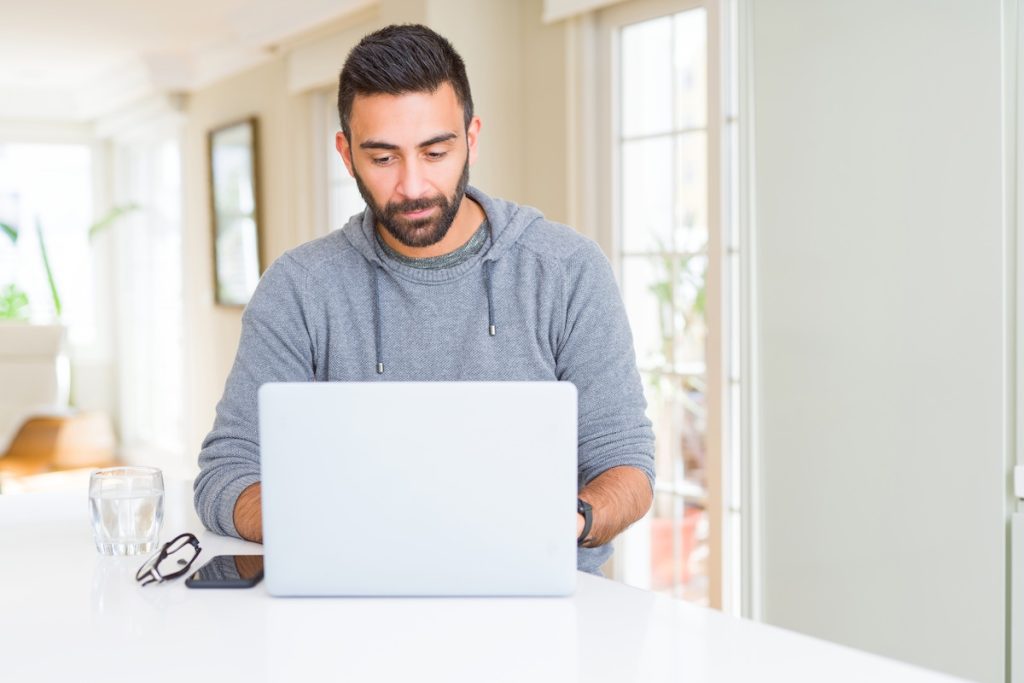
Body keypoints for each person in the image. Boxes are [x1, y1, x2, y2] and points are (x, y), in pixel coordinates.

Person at [194, 23, 655, 575]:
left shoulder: (567, 270)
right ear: (346, 154)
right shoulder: (298, 288)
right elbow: (227, 471)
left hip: (535, 597)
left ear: (472, 138)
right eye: (383, 159)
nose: (413, 186)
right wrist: (333, 522)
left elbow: (627, 464)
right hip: (352, 597)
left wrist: (572, 519)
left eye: (435, 152)